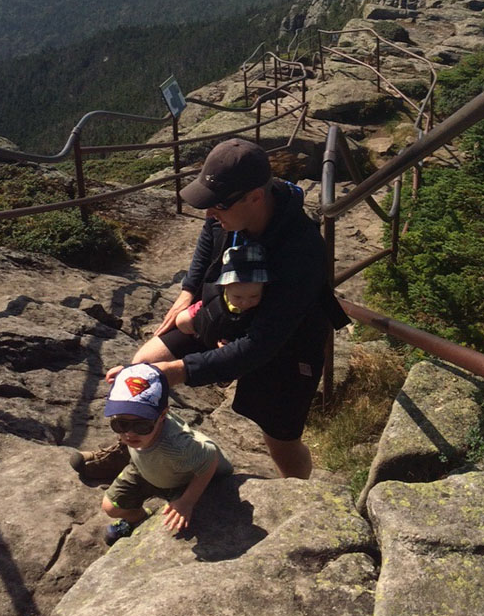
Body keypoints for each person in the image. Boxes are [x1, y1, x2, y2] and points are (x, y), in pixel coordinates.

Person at [72, 138, 348, 484]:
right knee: (143, 364)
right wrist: (188, 290)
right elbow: (209, 235)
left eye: (217, 205)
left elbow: (261, 345)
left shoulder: (301, 251)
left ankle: (296, 496)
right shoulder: (228, 211)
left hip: (287, 343)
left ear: (255, 197)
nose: (208, 212)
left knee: (280, 438)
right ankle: (132, 449)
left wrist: (176, 372)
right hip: (226, 309)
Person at [97, 361, 232, 545]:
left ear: (162, 416)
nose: (129, 433)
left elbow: (210, 456)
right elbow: (142, 377)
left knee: (176, 530)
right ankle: (139, 518)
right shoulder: (143, 429)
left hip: (182, 478)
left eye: (141, 425)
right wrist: (126, 372)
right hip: (145, 467)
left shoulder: (175, 446)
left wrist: (187, 502)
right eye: (120, 424)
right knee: (111, 507)